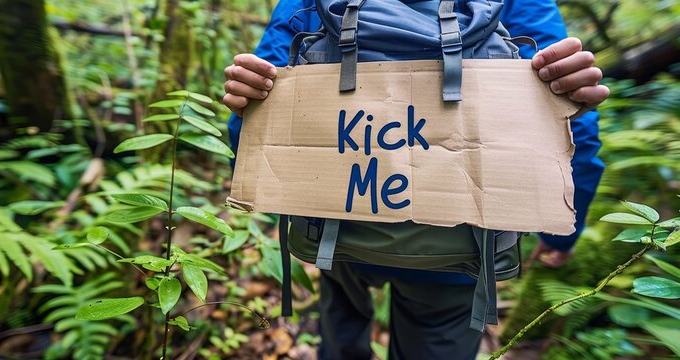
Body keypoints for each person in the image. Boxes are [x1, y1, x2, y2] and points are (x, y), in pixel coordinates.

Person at [223, 1, 608, 359]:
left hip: (338, 226)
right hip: (461, 249)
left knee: (340, 326)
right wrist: (561, 235)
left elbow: (258, 102)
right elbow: (573, 119)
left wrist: (288, 205)